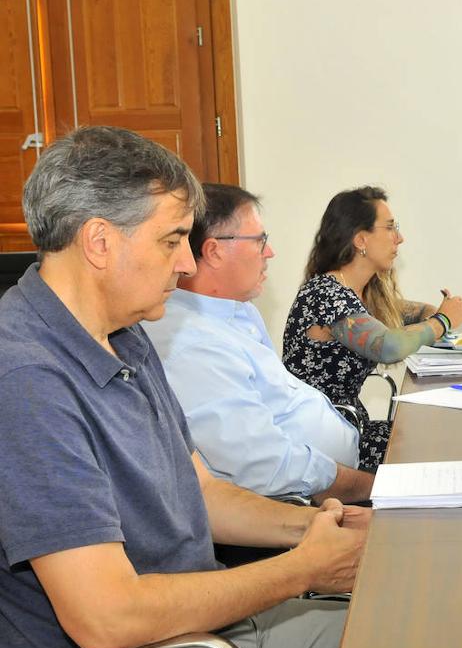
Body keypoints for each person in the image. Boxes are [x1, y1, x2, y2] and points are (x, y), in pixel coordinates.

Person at [0, 126, 368, 648]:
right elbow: (107, 617)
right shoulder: (24, 381)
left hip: (197, 635)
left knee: (405, 632)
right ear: (98, 241)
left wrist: (318, 530)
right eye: (172, 239)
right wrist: (299, 571)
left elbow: (201, 490)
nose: (189, 263)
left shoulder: (124, 331)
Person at [142, 184, 374, 504]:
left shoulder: (240, 312)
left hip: (338, 471)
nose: (269, 253)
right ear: (214, 251)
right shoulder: (190, 344)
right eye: (260, 241)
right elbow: (264, 465)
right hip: (314, 498)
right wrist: (370, 486)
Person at [283, 186, 462, 465]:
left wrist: (432, 312)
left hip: (347, 429)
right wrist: (441, 321)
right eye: (391, 228)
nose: (400, 238)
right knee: (431, 447)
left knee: (436, 435)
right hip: (322, 443)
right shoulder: (325, 294)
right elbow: (387, 345)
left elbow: (403, 312)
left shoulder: (358, 291)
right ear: (360, 240)